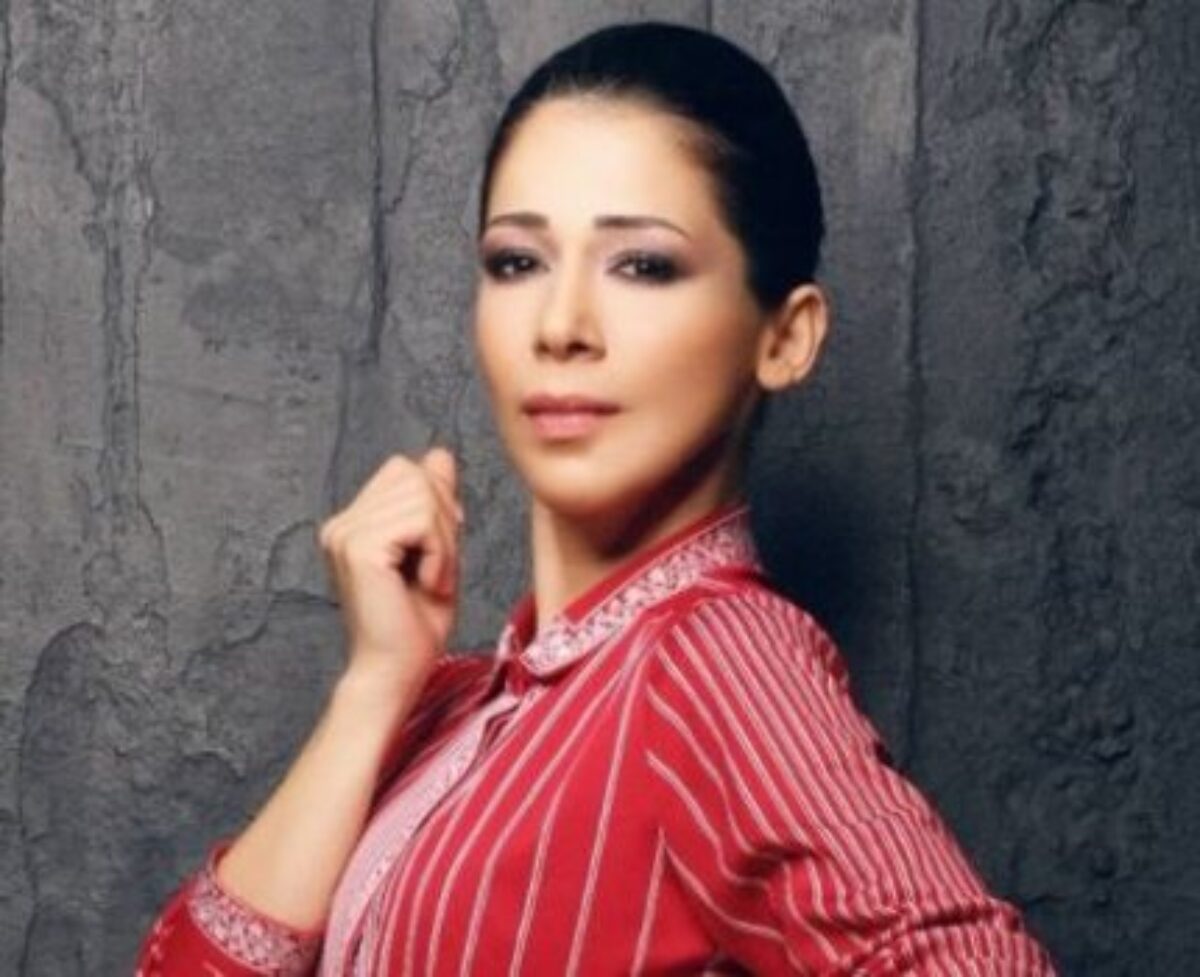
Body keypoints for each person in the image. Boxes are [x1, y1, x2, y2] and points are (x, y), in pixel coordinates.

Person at [135, 20, 1058, 977]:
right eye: (518, 262)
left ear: (784, 338)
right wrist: (376, 683)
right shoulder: (451, 702)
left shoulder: (715, 658)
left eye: (643, 264)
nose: (561, 324)